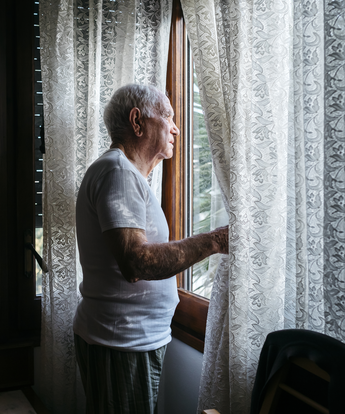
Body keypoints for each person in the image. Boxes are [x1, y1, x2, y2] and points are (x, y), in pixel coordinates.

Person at [74, 83, 229, 414]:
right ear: (137, 120)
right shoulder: (118, 172)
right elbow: (137, 262)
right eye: (168, 116)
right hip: (122, 341)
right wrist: (215, 241)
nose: (176, 127)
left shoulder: (122, 173)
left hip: (123, 338)